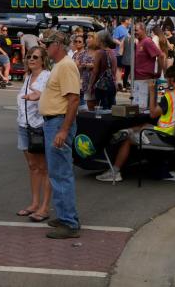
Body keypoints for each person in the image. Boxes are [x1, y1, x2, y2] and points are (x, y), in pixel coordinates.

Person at [97, 64, 175, 183]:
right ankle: (126, 131)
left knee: (128, 140)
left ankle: (115, 172)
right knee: (144, 126)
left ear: (171, 80)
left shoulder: (170, 96)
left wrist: (152, 91)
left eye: (167, 78)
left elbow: (153, 114)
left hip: (165, 136)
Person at [37, 31, 81, 238]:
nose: (45, 47)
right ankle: (66, 216)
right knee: (57, 172)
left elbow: (73, 100)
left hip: (57, 123)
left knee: (61, 173)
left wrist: (63, 129)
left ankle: (69, 222)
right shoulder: (61, 65)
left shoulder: (66, 66)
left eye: (48, 44)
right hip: (53, 123)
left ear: (58, 45)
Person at [16, 45, 51, 222]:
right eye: (29, 56)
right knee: (32, 166)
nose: (31, 59)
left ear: (43, 60)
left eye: (35, 57)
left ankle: (45, 206)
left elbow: (52, 99)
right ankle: (34, 203)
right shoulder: (28, 77)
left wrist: (40, 96)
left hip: (39, 127)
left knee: (44, 168)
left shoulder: (47, 77)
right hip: (24, 126)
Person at [131, 22, 164, 110]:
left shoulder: (147, 41)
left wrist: (159, 72)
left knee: (142, 108)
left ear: (143, 30)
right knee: (137, 107)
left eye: (136, 30)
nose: (135, 32)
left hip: (145, 80)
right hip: (138, 79)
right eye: (134, 30)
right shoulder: (139, 42)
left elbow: (161, 55)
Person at [89, 30, 120, 110]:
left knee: (102, 110)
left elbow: (95, 72)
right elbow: (115, 70)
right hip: (112, 85)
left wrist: (90, 85)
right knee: (112, 109)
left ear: (101, 40)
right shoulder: (113, 52)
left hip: (102, 86)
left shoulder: (99, 53)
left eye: (96, 38)